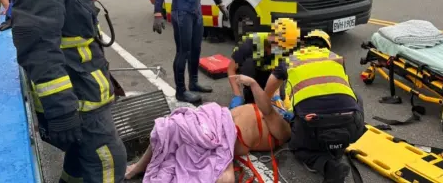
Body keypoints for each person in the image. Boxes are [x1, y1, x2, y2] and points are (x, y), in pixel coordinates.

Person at [11, 0, 127, 182]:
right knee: (109, 162)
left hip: (86, 95)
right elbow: (40, 55)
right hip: (79, 105)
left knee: (79, 165)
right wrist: (62, 111)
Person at [124, 73, 292, 182]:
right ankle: (141, 165)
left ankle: (140, 167)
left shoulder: (284, 130)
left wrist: (254, 84)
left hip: (225, 135)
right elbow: (272, 97)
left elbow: (267, 110)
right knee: (170, 127)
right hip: (216, 117)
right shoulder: (279, 112)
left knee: (173, 127)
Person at [263, 30, 366, 183]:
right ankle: (337, 146)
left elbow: (267, 92)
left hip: (312, 127)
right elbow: (339, 91)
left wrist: (281, 107)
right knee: (354, 95)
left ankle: (329, 167)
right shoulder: (336, 58)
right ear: (327, 46)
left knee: (298, 147)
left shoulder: (289, 60)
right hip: (351, 125)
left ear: (304, 44)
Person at [228, 18, 300, 109]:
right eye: (279, 46)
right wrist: (237, 96)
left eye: (283, 47)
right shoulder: (251, 43)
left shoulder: (283, 49)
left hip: (268, 73)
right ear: (271, 37)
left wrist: (276, 95)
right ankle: (249, 91)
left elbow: (277, 71)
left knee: (280, 98)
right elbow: (231, 69)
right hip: (252, 72)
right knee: (249, 67)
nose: (280, 49)